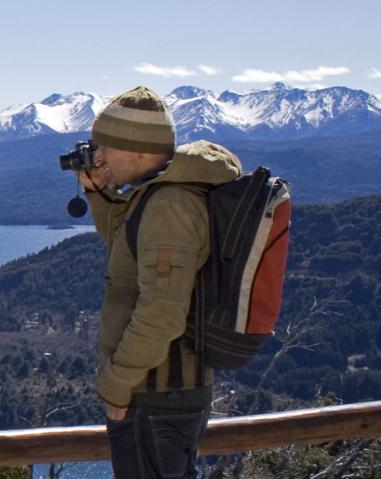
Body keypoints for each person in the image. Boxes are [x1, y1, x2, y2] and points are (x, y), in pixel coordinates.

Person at [76, 86, 242, 478]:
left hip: (157, 393)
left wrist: (118, 382)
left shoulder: (169, 205)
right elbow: (126, 247)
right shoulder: (158, 196)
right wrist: (99, 193)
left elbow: (162, 312)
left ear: (138, 150)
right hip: (160, 391)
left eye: (106, 147)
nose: (98, 156)